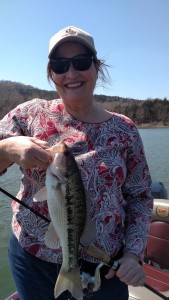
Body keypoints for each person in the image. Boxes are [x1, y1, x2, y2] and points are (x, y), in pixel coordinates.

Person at [0, 25, 153, 300]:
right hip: (33, 261)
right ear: (51, 73)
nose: (71, 73)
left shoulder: (125, 130)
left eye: (81, 63)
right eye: (60, 65)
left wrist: (133, 254)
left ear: (97, 68)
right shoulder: (28, 114)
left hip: (106, 268)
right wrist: (7, 147)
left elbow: (140, 197)